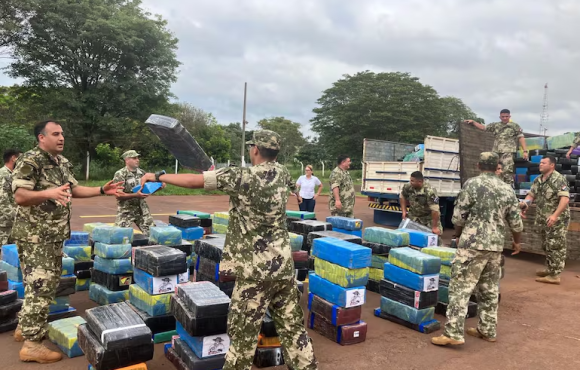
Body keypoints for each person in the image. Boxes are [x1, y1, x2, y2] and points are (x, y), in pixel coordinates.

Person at [139, 130, 318, 370]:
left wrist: (158, 176)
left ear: (255, 149)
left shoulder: (242, 177)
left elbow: (197, 182)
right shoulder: (283, 172)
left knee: (242, 338)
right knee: (294, 330)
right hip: (283, 267)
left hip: (255, 272)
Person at [11, 120, 122, 363]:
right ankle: (32, 344)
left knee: (38, 285)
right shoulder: (30, 161)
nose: (61, 138)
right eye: (55, 134)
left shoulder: (60, 162)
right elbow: (20, 196)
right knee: (41, 288)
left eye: (62, 134)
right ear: (41, 138)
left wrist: (103, 189)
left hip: (52, 236)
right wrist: (47, 193)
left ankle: (24, 327)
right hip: (35, 237)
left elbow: (74, 189)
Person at [431, 152, 523, 347]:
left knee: (460, 289)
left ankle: (453, 333)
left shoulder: (472, 184)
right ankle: (488, 329)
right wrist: (516, 242)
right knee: (489, 290)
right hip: (495, 247)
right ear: (497, 165)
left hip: (472, 245)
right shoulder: (507, 189)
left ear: (479, 165)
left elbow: (458, 217)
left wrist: (457, 234)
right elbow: (516, 223)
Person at [520, 156, 570, 284]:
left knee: (556, 246)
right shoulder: (538, 180)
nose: (540, 164)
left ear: (552, 165)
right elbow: (531, 196)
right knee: (546, 245)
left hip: (557, 220)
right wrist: (524, 206)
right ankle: (550, 269)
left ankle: (555, 275)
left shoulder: (559, 179)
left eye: (543, 163)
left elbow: (565, 199)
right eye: (540, 162)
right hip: (543, 219)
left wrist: (555, 215)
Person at [464, 109, 528, 186]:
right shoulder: (495, 125)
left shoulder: (514, 126)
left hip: (508, 151)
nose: (504, 118)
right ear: (500, 117)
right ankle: (495, 185)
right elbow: (483, 127)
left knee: (507, 170)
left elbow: (521, 137)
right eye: (503, 116)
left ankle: (509, 187)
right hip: (496, 152)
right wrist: (474, 122)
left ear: (509, 116)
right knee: (494, 169)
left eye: (506, 116)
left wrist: (525, 151)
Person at [113, 150, 158, 235]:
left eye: (137, 158)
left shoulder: (142, 173)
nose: (137, 160)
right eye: (134, 158)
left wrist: (159, 187)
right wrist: (135, 195)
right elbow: (118, 195)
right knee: (119, 236)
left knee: (153, 234)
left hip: (141, 208)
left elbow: (148, 188)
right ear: (127, 160)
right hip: (126, 210)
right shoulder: (120, 174)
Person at [400, 171, 442, 239]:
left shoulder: (430, 191)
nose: (410, 182)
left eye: (412, 181)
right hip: (413, 217)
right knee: (410, 238)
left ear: (419, 182)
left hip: (427, 219)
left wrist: (434, 227)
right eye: (410, 180)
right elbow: (402, 196)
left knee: (433, 239)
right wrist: (404, 212)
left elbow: (435, 210)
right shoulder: (408, 186)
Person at [0, 148, 22, 246]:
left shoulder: (13, 175)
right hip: (4, 223)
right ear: (13, 158)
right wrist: (14, 217)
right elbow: (2, 200)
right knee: (4, 250)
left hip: (10, 222)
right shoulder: (3, 175)